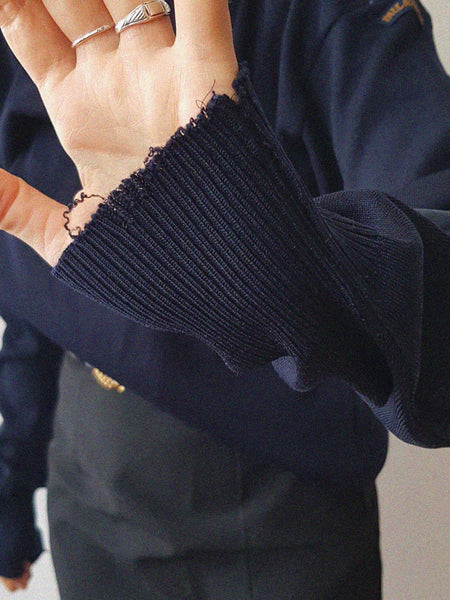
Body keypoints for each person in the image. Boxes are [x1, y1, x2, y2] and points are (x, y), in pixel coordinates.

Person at [0, 0, 448, 598]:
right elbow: (42, 288)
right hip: (88, 496)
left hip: (275, 517)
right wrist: (11, 483)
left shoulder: (336, 20)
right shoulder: (41, 27)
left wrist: (257, 257)